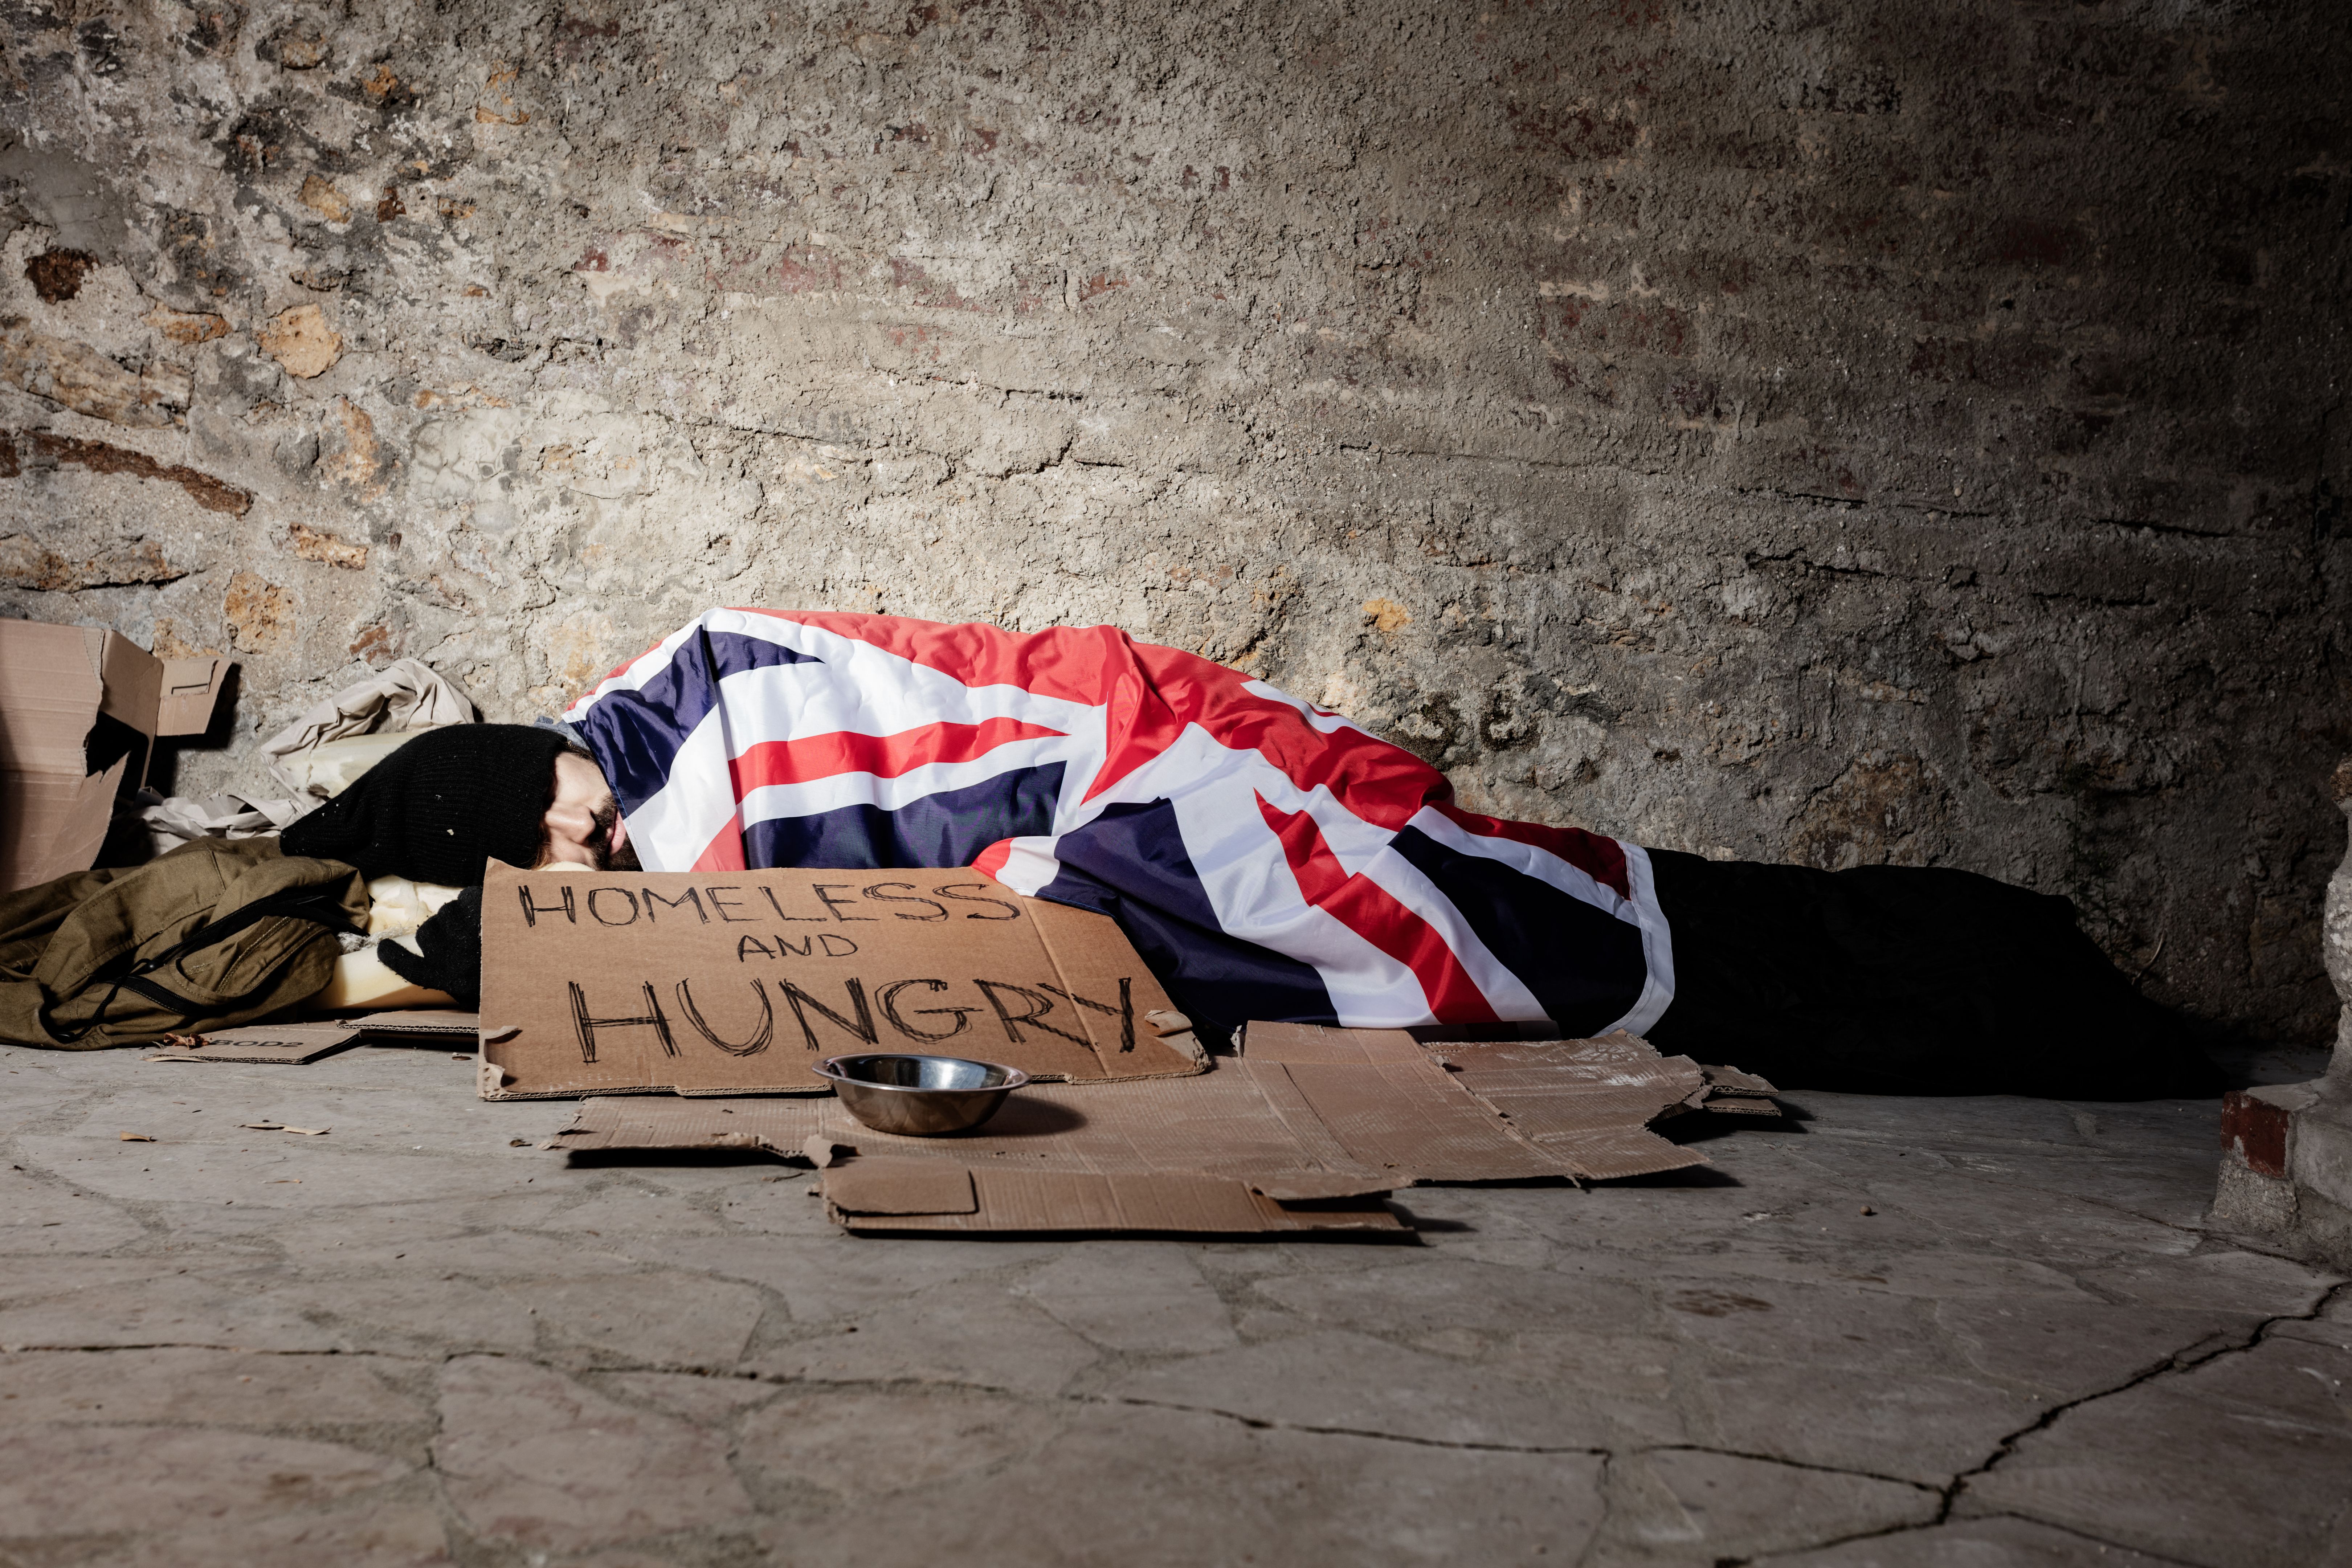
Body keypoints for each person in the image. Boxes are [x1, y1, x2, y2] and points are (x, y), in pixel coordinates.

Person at [286, 609, 2215, 1097]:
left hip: (1163, 785)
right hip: (1122, 800)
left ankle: (2047, 986)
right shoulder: (641, 745)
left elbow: (751, 919)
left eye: (536, 817)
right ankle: (2040, 988)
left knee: (1583, 939)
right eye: (541, 856)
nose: (572, 841)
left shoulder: (687, 733)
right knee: (1591, 942)